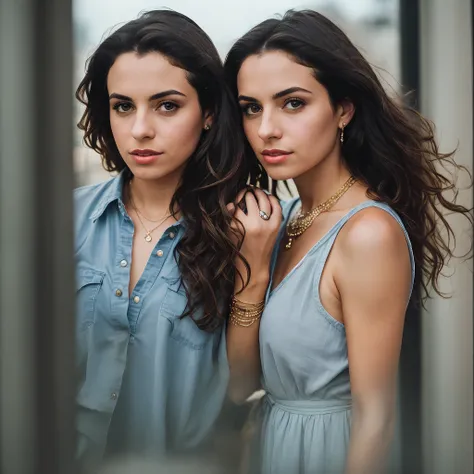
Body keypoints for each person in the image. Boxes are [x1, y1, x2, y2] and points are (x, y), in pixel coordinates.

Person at [224, 9, 473, 474]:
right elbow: (241, 385)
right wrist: (254, 269)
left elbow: (376, 421)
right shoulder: (291, 219)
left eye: (293, 103)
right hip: (274, 448)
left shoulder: (368, 233)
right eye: (251, 108)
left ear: (343, 108)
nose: (266, 129)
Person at [74, 9, 281, 472]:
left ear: (208, 113)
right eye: (123, 105)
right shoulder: (67, 220)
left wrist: (254, 269)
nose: (140, 129)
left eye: (167, 105)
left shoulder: (251, 227)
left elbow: (242, 385)